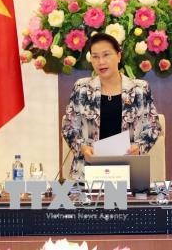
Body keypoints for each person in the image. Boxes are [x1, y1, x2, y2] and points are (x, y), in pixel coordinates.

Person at [61, 33, 161, 180]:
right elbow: (68, 127)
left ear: (119, 56)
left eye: (106, 55)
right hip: (88, 172)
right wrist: (82, 148)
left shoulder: (140, 89)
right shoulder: (81, 88)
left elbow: (154, 128)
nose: (101, 62)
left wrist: (139, 147)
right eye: (95, 56)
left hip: (129, 172)